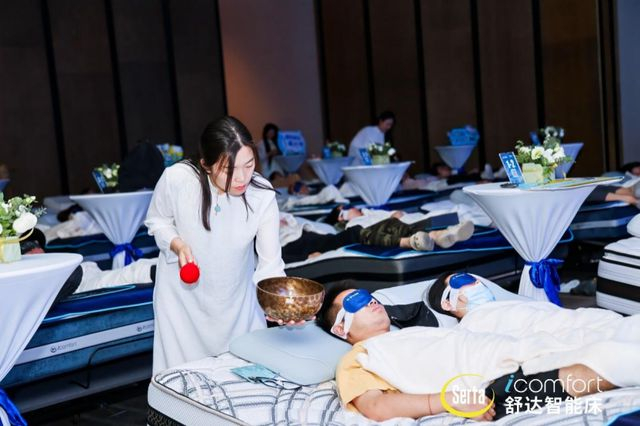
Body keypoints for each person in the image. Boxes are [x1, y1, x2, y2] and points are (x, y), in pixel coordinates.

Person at [317, 283, 622, 421]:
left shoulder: (413, 334)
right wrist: (450, 400)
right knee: (607, 364)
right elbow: (376, 406)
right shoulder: (359, 358)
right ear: (341, 328)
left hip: (514, 353)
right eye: (357, 302)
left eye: (369, 296)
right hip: (499, 386)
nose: (371, 301)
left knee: (605, 337)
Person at [145, 116, 286, 373]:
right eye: (228, 169)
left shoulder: (261, 194)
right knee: (183, 381)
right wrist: (176, 244)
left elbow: (270, 265)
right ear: (206, 165)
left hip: (238, 304)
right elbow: (157, 220)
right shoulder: (178, 179)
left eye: (249, 165)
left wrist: (281, 304)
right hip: (182, 305)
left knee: (243, 380)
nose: (241, 177)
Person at [280, 215, 474, 263]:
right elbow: (273, 258)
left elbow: (319, 223)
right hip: (319, 247)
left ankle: (437, 235)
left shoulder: (284, 220)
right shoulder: (270, 236)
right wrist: (305, 258)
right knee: (356, 233)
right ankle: (409, 241)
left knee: (390, 222)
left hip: (325, 237)